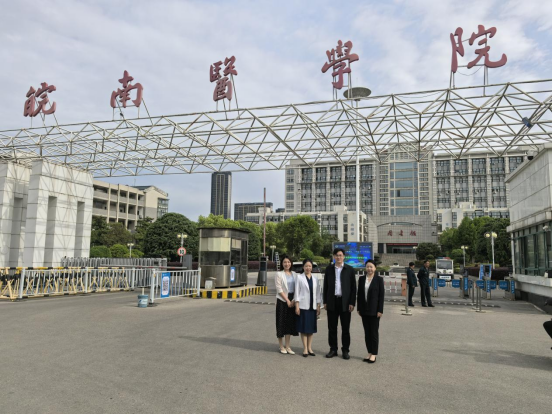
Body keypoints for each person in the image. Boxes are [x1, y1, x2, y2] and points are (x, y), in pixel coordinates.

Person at [323, 248, 357, 359]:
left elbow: (353, 288)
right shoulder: (329, 269)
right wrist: (325, 301)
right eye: (336, 255)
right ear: (334, 256)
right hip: (332, 301)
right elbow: (325, 286)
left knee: (345, 328)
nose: (338, 257)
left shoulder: (349, 269)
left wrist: (352, 302)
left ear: (344, 257)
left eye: (340, 255)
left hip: (345, 303)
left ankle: (345, 350)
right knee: (332, 328)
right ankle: (333, 349)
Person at [357, 259, 384, 363]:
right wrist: (359, 308)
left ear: (375, 268)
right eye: (368, 266)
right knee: (367, 333)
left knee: (373, 333)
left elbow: (381, 296)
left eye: (371, 267)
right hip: (364, 310)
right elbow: (359, 295)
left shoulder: (379, 280)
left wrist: (380, 310)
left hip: (374, 310)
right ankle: (369, 352)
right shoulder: (361, 279)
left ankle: (374, 354)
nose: (369, 269)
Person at [295, 258, 321, 357]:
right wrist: (297, 306)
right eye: (306, 266)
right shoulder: (299, 277)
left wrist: (318, 305)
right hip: (303, 306)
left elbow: (318, 293)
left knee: (311, 329)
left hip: (312, 307)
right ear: (303, 267)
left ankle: (310, 348)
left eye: (310, 266)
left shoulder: (315, 279)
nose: (308, 268)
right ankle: (305, 348)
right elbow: (297, 293)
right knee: (304, 328)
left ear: (312, 267)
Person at [275, 255, 298, 354]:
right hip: (282, 300)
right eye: (285, 262)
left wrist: (294, 300)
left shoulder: (295, 274)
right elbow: (279, 289)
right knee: (281, 323)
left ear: (291, 263)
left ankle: (288, 346)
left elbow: (297, 288)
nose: (287, 264)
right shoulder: (279, 274)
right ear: (282, 263)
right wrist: (287, 300)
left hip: (292, 299)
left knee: (289, 323)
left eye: (288, 262)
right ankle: (281, 346)